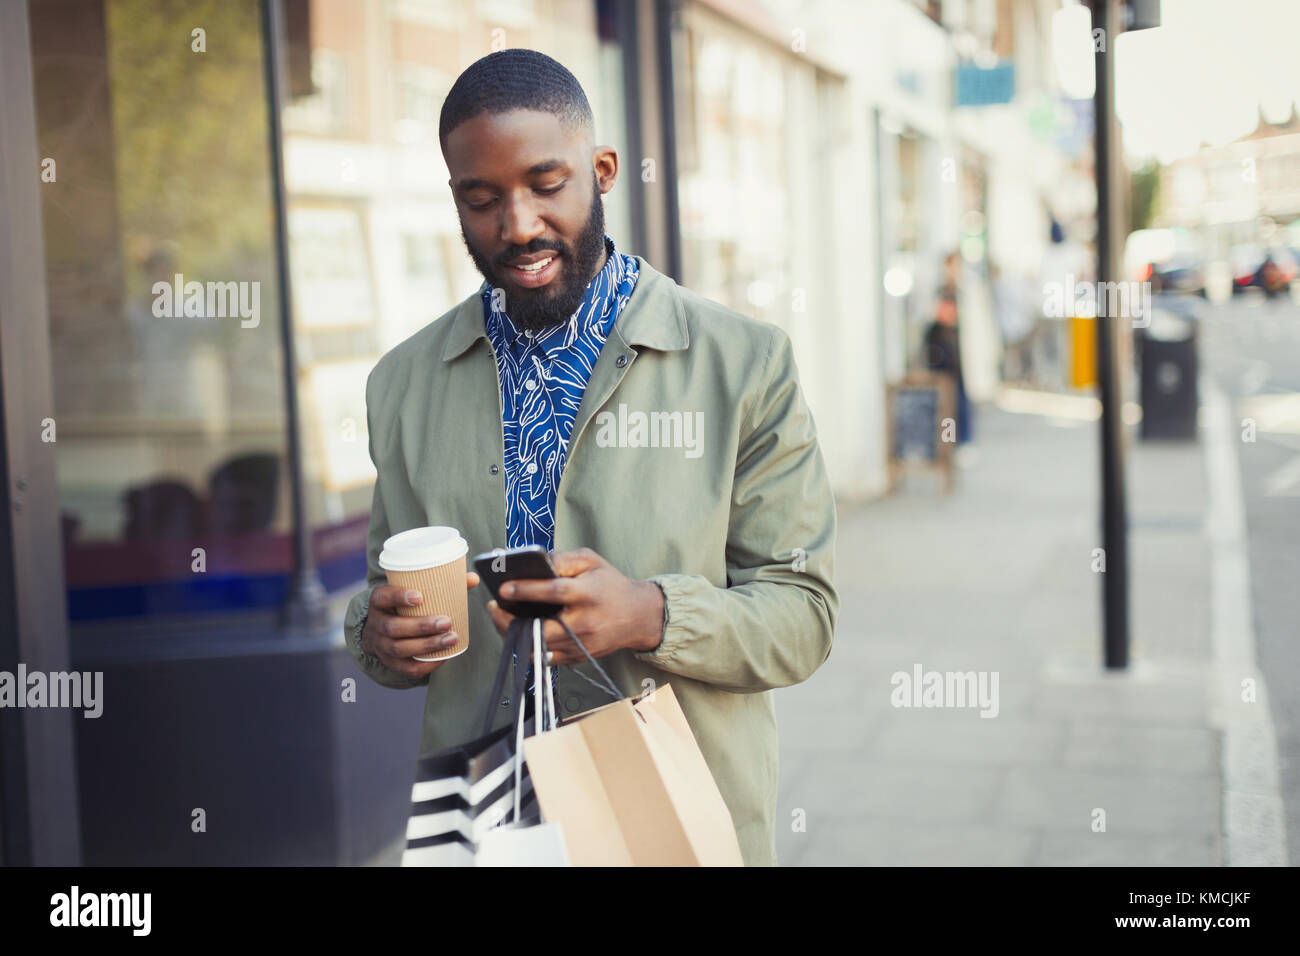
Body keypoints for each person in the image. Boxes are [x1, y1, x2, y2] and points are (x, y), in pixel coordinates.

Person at [342, 49, 838, 866]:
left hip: (673, 820)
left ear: (602, 170)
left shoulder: (744, 364)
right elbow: (379, 603)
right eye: (482, 199)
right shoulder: (400, 385)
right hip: (486, 824)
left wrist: (651, 612)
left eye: (547, 184)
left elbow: (804, 615)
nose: (518, 225)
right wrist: (380, 636)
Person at [923, 250, 972, 447]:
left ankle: (963, 440)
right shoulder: (939, 291)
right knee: (944, 403)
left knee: (960, 401)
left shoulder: (964, 292)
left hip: (959, 357)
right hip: (941, 354)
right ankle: (947, 442)